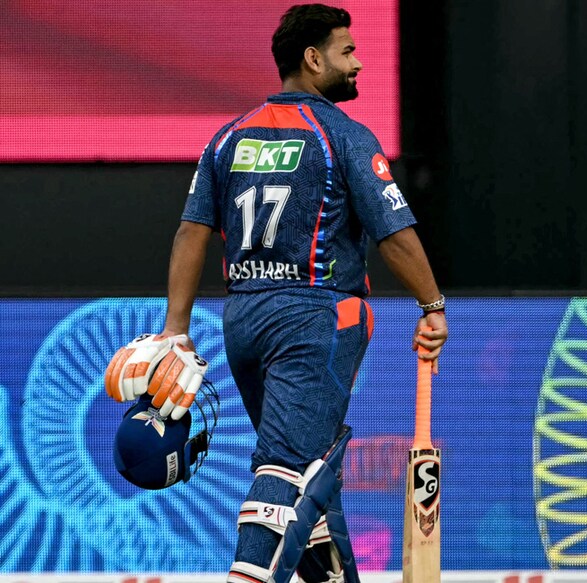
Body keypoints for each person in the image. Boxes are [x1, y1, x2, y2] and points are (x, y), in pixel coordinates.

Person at [103, 4, 448, 582]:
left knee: (309, 466)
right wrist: (432, 305)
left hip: (243, 320)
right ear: (313, 60)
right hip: (317, 317)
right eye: (347, 51)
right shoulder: (343, 135)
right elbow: (395, 234)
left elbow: (192, 234)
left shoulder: (229, 137)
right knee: (288, 467)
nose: (358, 63)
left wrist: (176, 329)